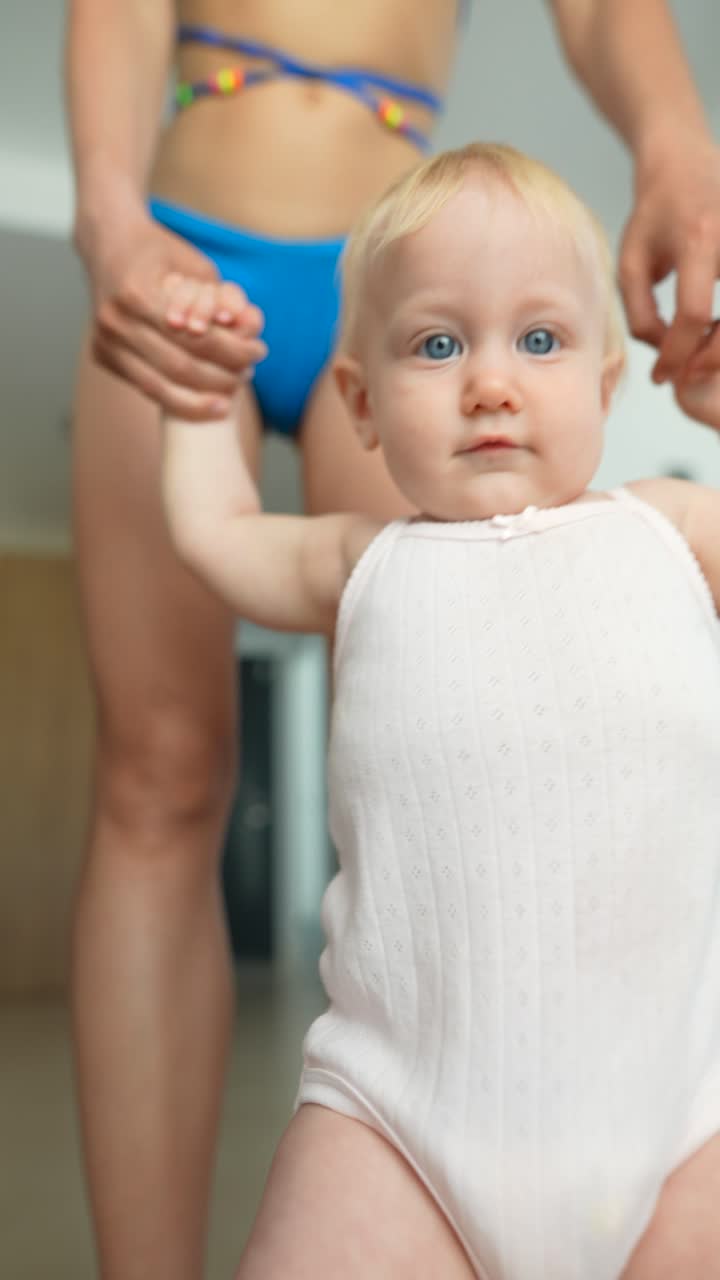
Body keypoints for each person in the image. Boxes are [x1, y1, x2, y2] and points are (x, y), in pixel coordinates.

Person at [64, 2, 720, 1276]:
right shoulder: (378, 546)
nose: (495, 380)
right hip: (183, 246)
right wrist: (106, 214)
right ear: (376, 399)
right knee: (157, 774)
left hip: (397, 248)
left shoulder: (659, 525)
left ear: (600, 381)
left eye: (541, 342)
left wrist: (675, 137)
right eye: (468, 352)